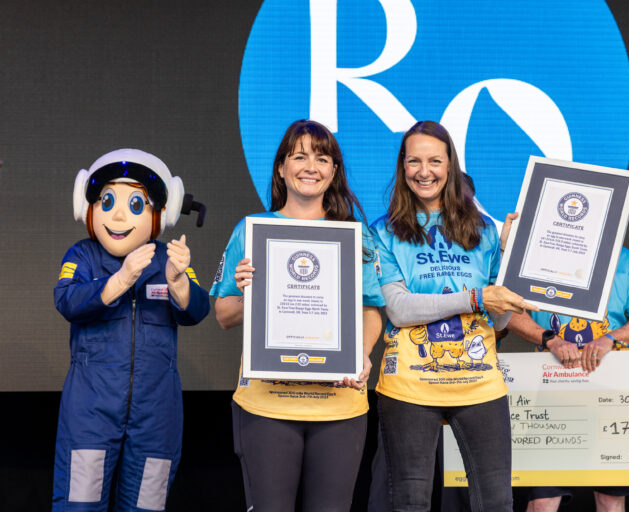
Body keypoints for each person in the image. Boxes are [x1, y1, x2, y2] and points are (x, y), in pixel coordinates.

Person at [211, 119, 385, 511]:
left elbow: (372, 308)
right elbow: (223, 314)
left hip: (340, 405)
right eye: (300, 156)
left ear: (334, 171)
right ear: (281, 168)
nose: (311, 166)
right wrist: (246, 292)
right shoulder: (252, 230)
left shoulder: (355, 236)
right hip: (267, 406)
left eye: (322, 158)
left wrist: (363, 352)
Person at [370, 120, 536, 511]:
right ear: (402, 166)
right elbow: (398, 307)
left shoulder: (485, 232)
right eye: (414, 161)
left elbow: (497, 322)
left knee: (497, 503)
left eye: (434, 161)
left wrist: (509, 267)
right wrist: (478, 297)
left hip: (480, 385)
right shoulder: (382, 232)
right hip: (410, 386)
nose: (424, 171)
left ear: (450, 165)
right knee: (410, 503)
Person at [52, 149, 210, 511]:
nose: (119, 215)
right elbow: (67, 301)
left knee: (146, 505)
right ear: (88, 207)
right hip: (90, 413)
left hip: (157, 414)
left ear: (161, 213)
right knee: (80, 503)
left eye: (136, 204)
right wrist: (121, 280)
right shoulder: (82, 256)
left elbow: (198, 310)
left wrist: (178, 282)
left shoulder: (168, 260)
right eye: (108, 201)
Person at [507, 247, 629, 512]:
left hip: (612, 389)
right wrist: (550, 339)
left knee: (610, 500)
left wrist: (610, 339)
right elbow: (509, 312)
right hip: (553, 388)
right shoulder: (538, 252)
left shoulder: (624, 258)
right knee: (543, 501)